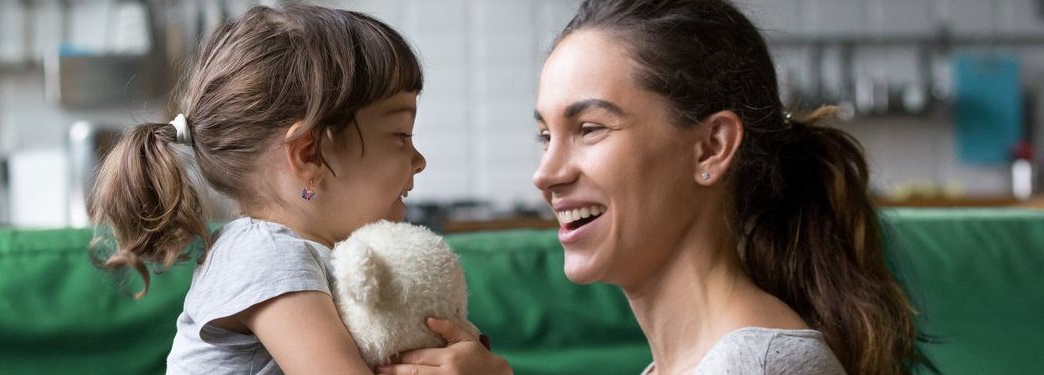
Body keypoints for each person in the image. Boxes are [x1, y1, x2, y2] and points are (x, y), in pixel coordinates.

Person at [87, 5, 509, 375]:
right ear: (309, 154)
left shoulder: (311, 256)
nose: (418, 160)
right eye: (400, 134)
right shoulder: (265, 254)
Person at [531, 0, 924, 374]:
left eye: (589, 129)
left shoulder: (758, 365)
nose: (545, 174)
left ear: (710, 148)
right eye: (546, 136)